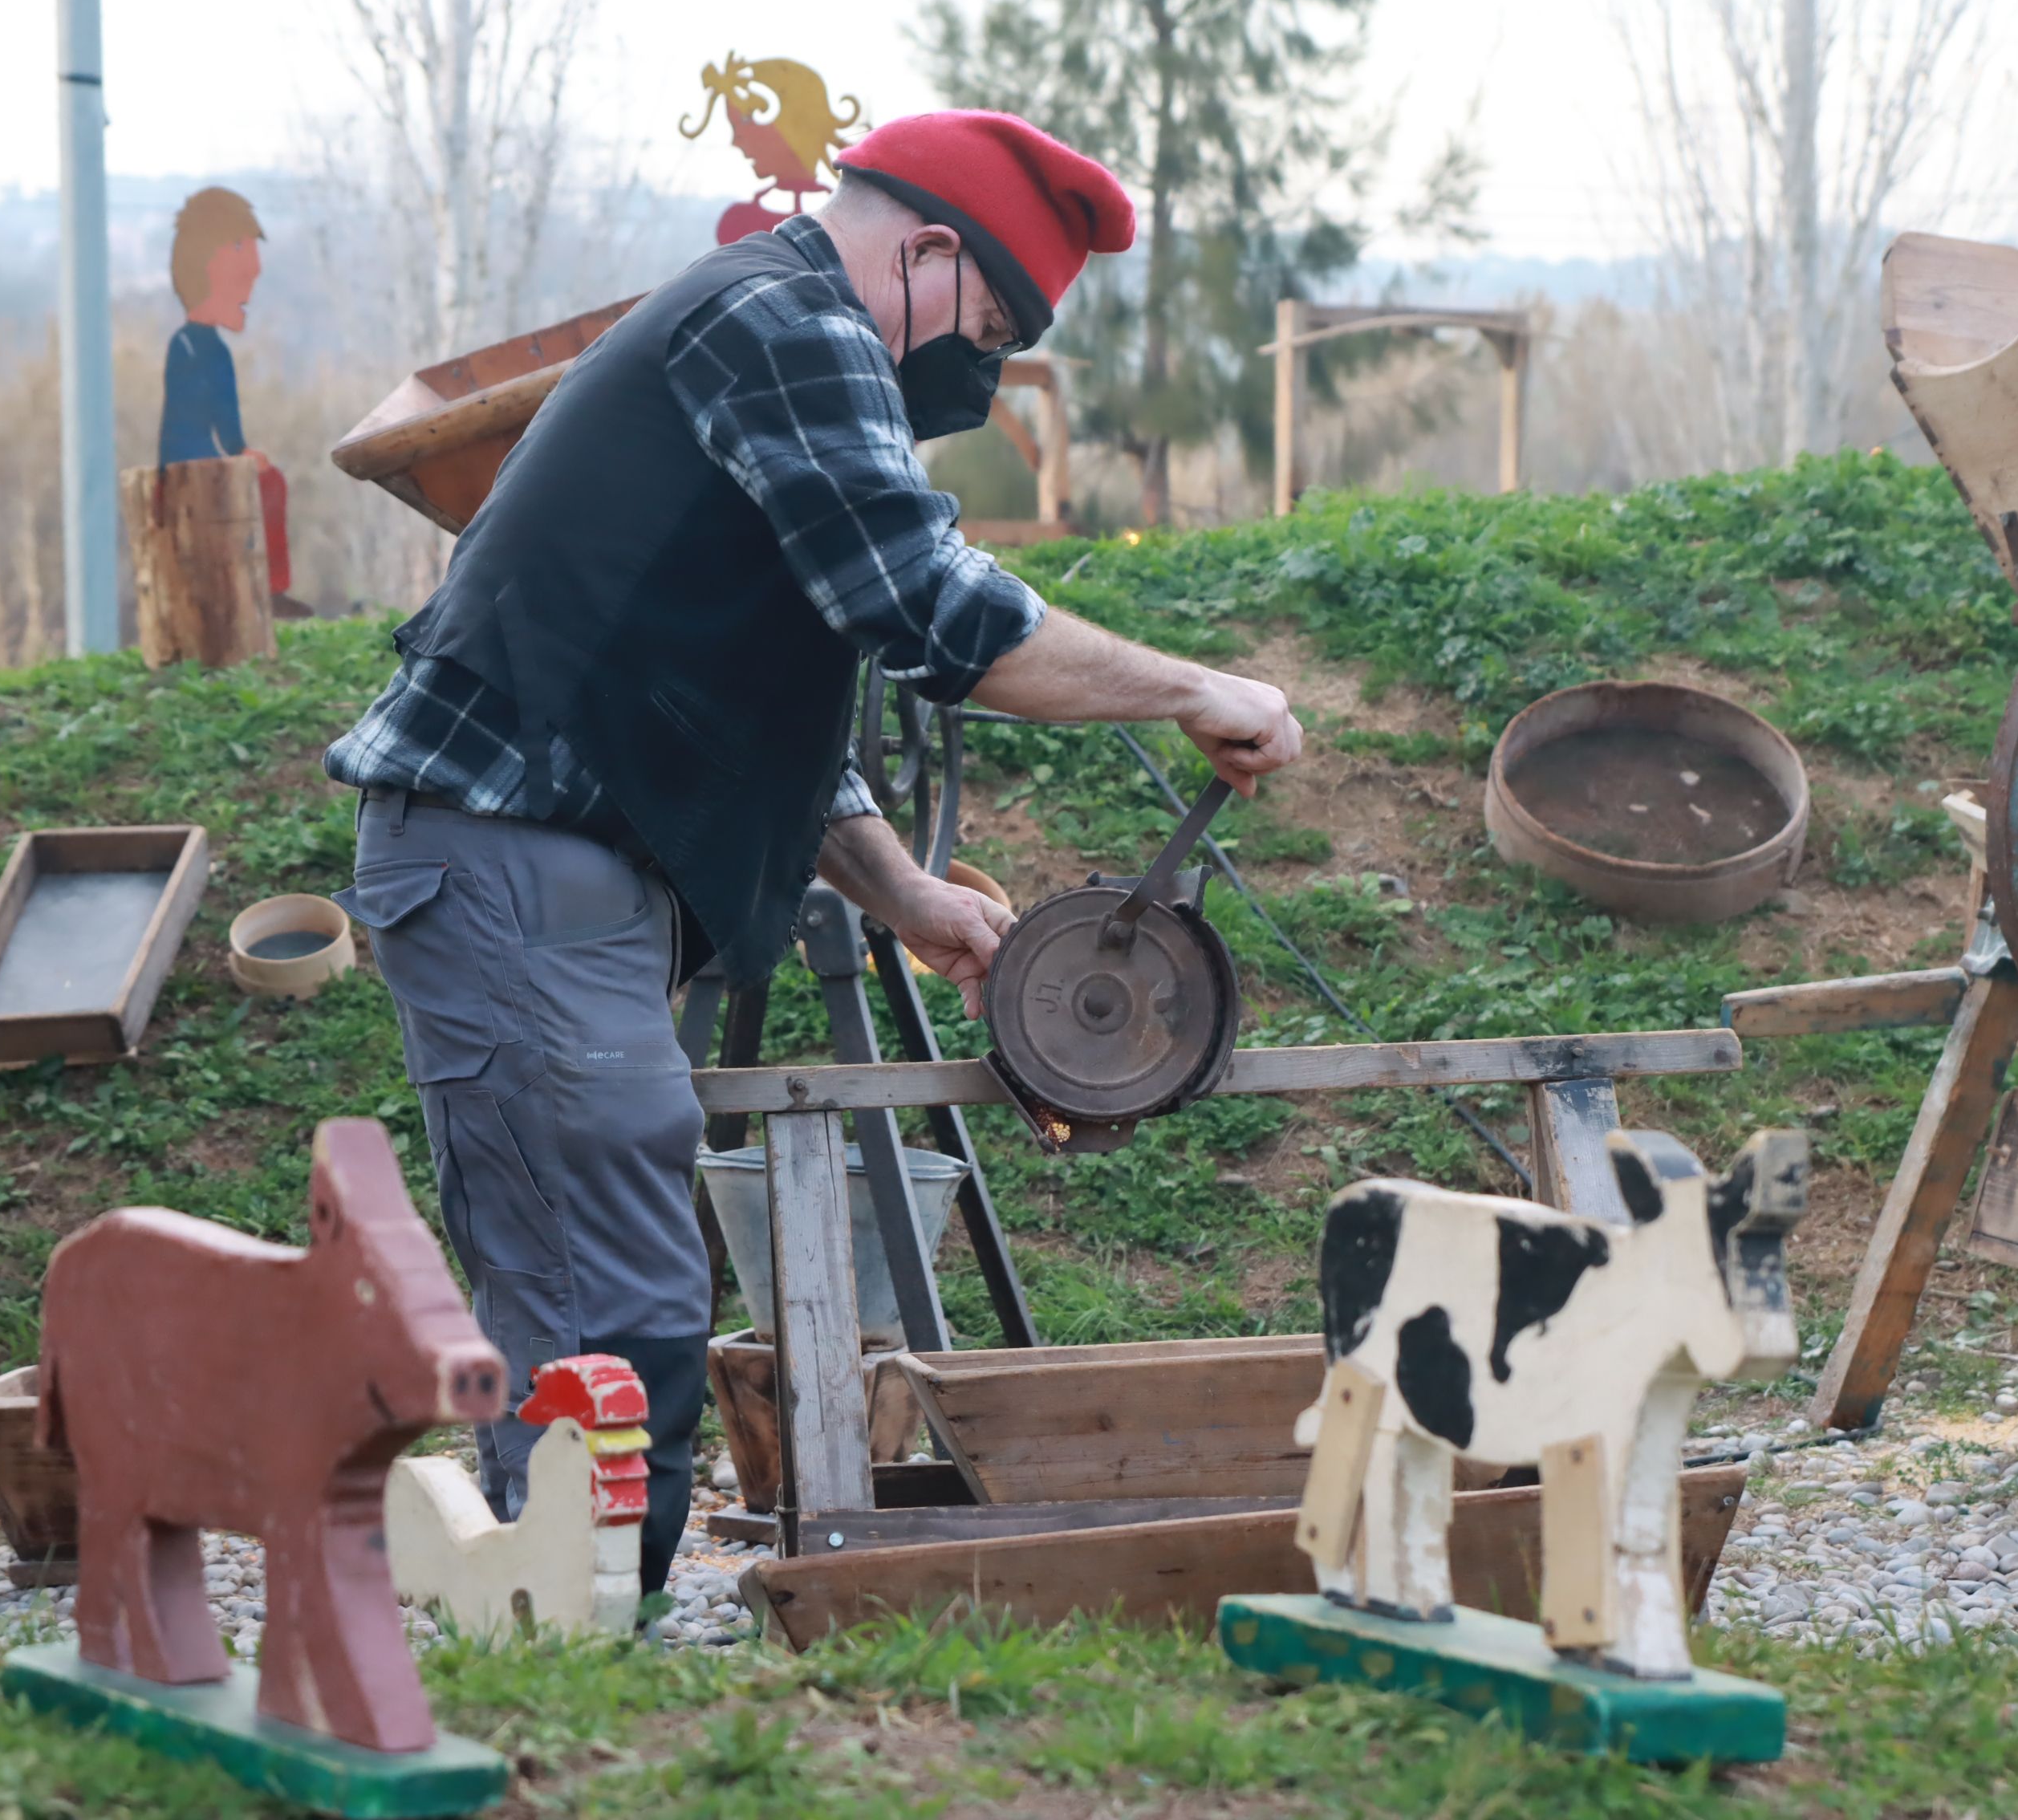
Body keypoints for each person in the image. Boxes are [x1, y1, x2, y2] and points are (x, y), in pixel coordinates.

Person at [321, 110, 1303, 1600]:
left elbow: (773, 704)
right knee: (613, 1300)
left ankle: (572, 1628)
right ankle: (567, 1642)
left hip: (559, 872)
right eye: (980, 326)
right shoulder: (786, 319)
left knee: (617, 1293)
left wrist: (902, 893)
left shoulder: (777, 328)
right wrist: (1192, 688)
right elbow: (926, 609)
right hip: (510, 857)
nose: (970, 371)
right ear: (920, 250)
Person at [159, 187, 263, 467]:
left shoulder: (217, 352)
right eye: (239, 246)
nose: (254, 270)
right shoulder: (185, 347)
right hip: (192, 478)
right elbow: (181, 435)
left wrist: (240, 451)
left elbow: (229, 428)